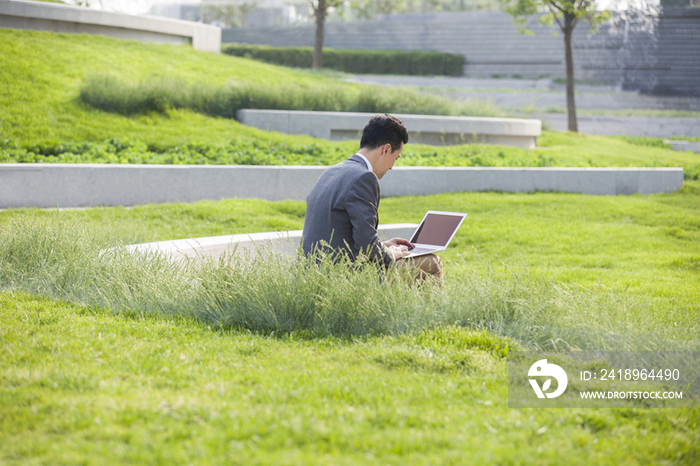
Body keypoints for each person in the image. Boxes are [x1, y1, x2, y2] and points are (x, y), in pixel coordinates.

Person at [302, 114, 443, 284]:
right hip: (343, 280)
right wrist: (390, 254)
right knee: (433, 263)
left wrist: (383, 246)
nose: (392, 166)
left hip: (312, 276)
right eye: (395, 158)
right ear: (385, 149)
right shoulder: (365, 177)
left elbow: (348, 237)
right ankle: (422, 311)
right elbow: (367, 244)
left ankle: (398, 309)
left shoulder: (332, 171)